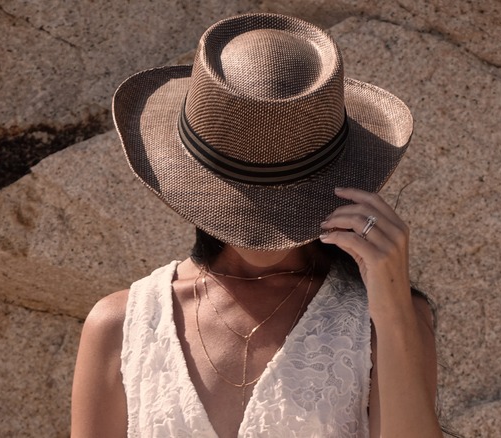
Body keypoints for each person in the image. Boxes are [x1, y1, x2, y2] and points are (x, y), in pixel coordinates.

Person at [71, 13, 441, 438]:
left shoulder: (385, 319)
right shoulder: (120, 325)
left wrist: (391, 308)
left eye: (284, 185)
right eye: (248, 186)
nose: (266, 218)